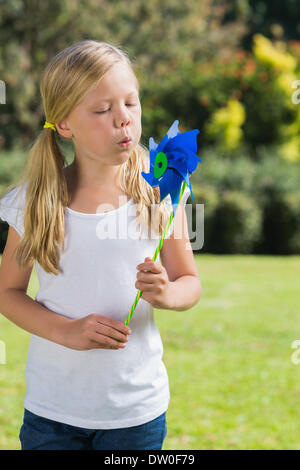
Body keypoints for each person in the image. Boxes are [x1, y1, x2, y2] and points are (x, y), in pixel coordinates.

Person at [0, 40, 202, 450]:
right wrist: (67, 330)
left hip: (135, 412)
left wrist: (167, 293)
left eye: (131, 103)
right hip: (53, 413)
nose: (123, 120)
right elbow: (7, 292)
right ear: (64, 124)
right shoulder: (34, 200)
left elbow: (190, 282)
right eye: (102, 109)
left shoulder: (162, 192)